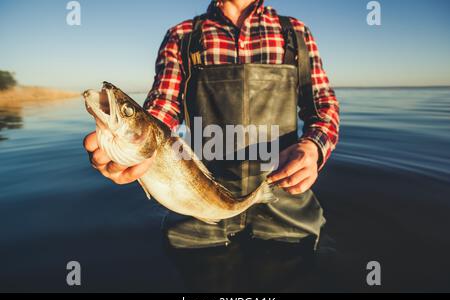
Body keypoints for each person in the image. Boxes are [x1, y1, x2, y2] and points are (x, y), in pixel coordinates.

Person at [83, 0, 340, 250]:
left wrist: (312, 148)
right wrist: (133, 149)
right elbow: (164, 105)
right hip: (196, 206)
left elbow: (322, 106)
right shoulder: (182, 36)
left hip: (284, 200)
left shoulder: (295, 32)